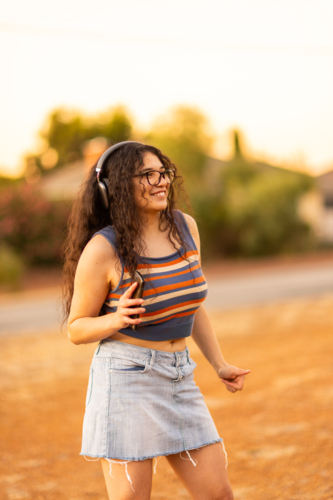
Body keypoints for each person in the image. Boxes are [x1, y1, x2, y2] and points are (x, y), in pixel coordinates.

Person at [62, 141, 250, 500]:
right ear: (115, 186)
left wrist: (219, 364)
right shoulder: (103, 249)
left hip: (179, 376)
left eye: (162, 172)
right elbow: (76, 329)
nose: (160, 181)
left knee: (218, 494)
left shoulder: (185, 227)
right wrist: (115, 319)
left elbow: (190, 306)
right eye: (146, 175)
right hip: (127, 380)